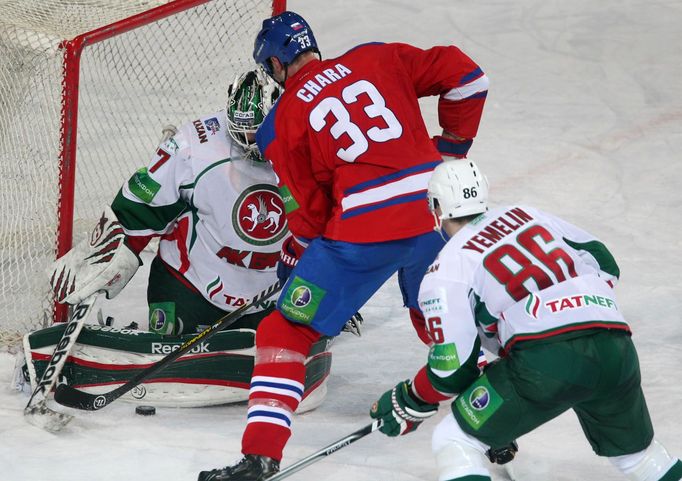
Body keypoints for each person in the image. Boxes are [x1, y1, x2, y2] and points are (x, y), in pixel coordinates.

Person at [198, 10, 489, 481]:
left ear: (275, 65)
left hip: (361, 233)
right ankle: (491, 419)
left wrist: (305, 264)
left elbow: (310, 218)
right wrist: (452, 150)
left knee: (284, 332)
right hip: (433, 213)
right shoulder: (378, 55)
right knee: (436, 312)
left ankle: (261, 456)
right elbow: (469, 77)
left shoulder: (280, 120)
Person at [36, 68, 331, 410]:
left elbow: (348, 215)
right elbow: (141, 206)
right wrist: (106, 250)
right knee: (171, 336)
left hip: (273, 289)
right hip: (190, 284)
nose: (251, 146)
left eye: (258, 134)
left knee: (292, 347)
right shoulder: (195, 145)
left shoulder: (320, 139)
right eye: (242, 134)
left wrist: (338, 279)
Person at [369, 160, 682, 481]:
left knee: (454, 439)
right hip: (615, 344)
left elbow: (452, 371)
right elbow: (602, 260)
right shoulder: (526, 214)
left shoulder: (445, 269)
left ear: (436, 207)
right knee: (640, 458)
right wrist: (576, 306)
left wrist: (410, 397)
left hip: (546, 360)